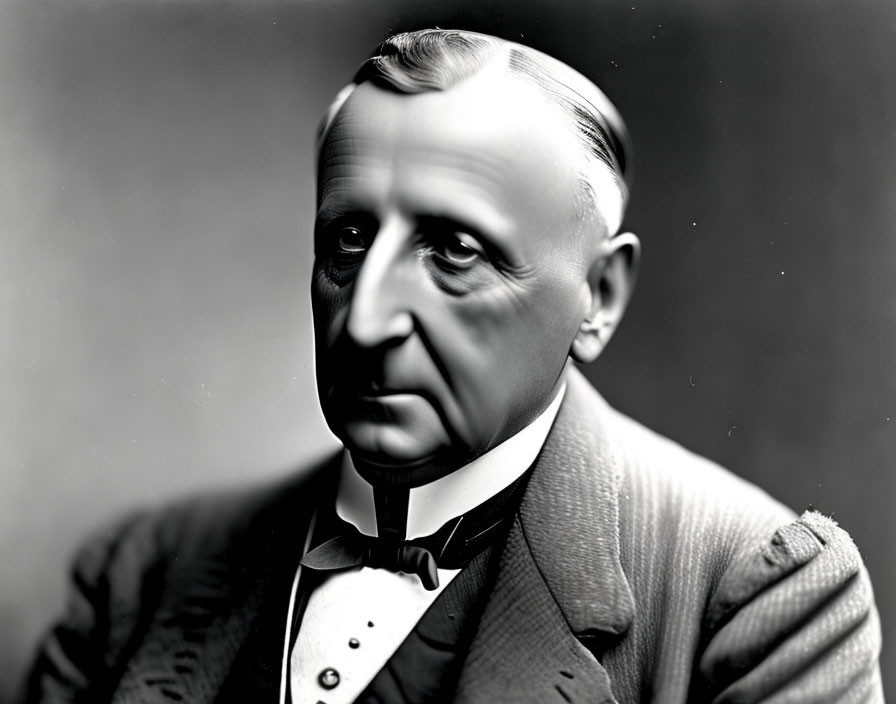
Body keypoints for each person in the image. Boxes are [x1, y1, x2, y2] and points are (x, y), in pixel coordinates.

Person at [25, 29, 882, 704]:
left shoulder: (757, 595)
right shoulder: (139, 578)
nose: (364, 320)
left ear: (600, 295)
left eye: (455, 250)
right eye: (350, 239)